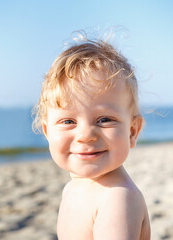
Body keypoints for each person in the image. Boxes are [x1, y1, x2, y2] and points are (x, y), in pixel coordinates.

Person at [32, 32, 151, 240]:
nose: (85, 135)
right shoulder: (71, 188)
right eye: (68, 121)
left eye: (104, 119)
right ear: (47, 131)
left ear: (132, 131)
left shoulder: (117, 198)